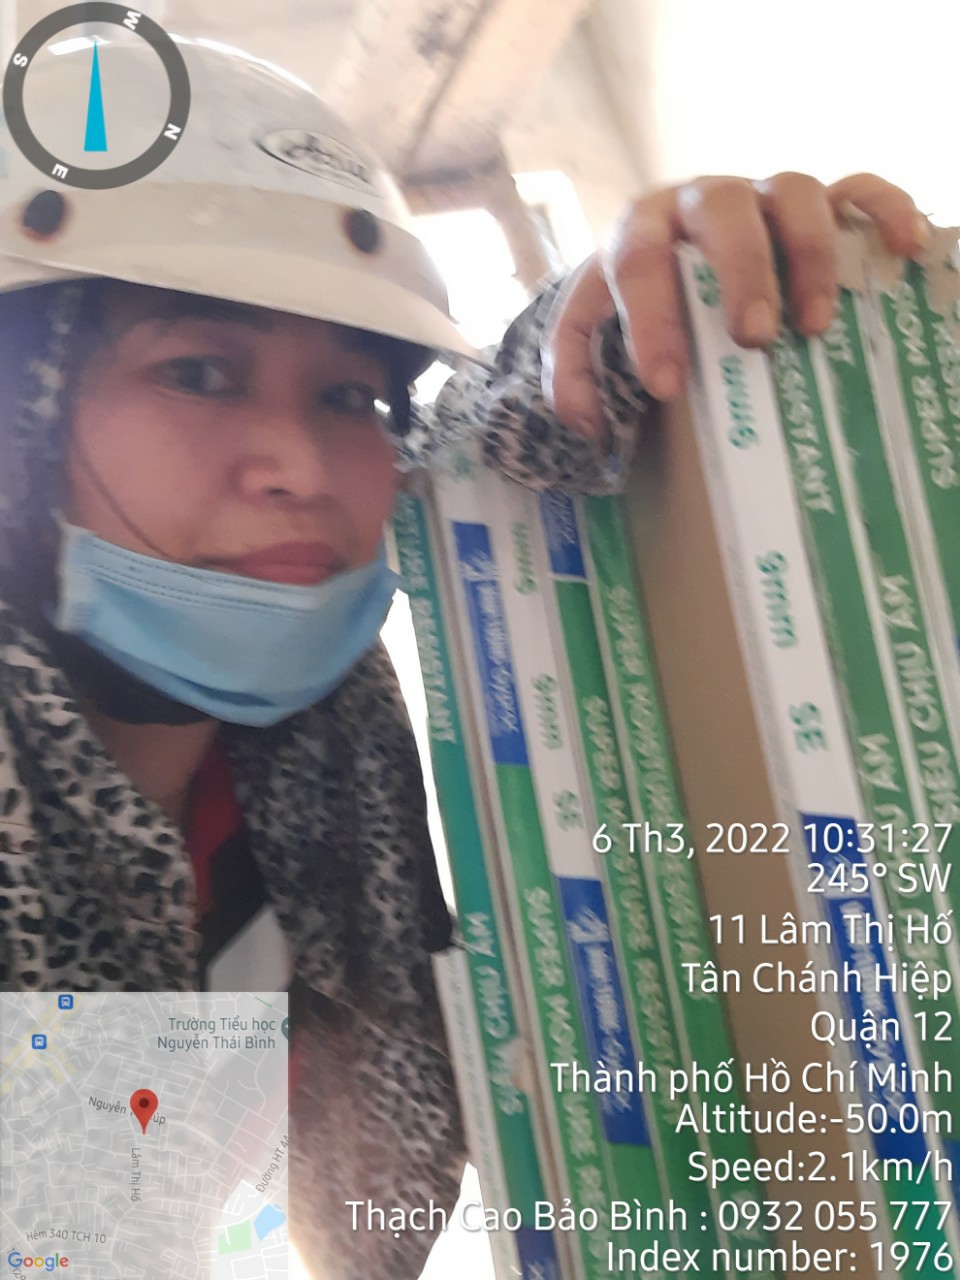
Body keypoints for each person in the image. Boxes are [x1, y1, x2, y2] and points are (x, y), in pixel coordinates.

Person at [0, 33, 929, 1280]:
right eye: (200, 370)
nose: (300, 465)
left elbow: (490, 437)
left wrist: (669, 291)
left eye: (348, 397)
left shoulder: (327, 775)